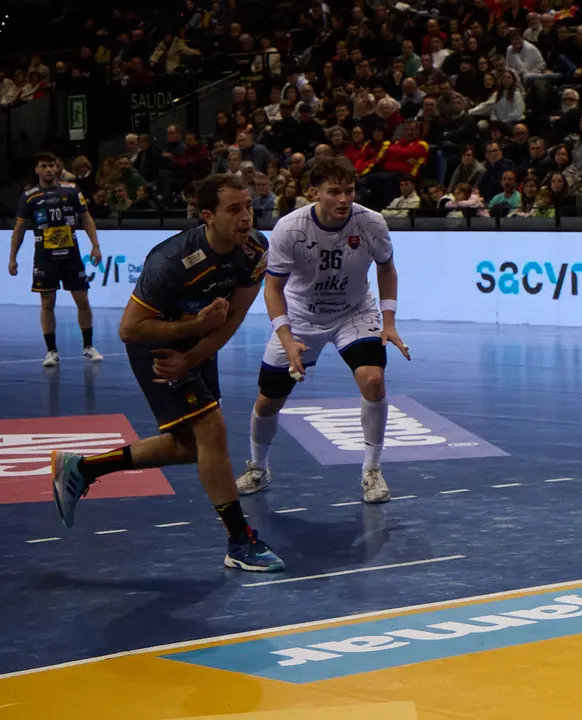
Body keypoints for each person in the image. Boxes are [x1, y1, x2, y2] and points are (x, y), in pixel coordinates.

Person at [50, 174, 286, 572]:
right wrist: (193, 331)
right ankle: (239, 541)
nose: (246, 216)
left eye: (248, 206)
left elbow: (234, 318)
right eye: (234, 209)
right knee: (212, 432)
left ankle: (82, 468)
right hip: (155, 344)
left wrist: (194, 354)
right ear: (207, 216)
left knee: (190, 447)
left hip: (195, 344)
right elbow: (129, 328)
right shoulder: (171, 261)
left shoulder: (256, 248)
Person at [236, 157, 409, 503]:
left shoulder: (370, 222)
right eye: (334, 192)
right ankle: (258, 466)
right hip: (301, 316)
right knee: (268, 401)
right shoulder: (290, 227)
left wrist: (388, 321)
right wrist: (286, 338)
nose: (344, 199)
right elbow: (272, 289)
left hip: (354, 311)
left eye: (349, 190)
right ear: (314, 192)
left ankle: (372, 471)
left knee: (373, 380)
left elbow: (387, 269)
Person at [8, 152, 105, 367]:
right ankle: (51, 351)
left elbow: (86, 218)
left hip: (71, 255)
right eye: (44, 166)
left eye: (52, 165)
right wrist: (12, 258)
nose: (49, 169)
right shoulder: (29, 196)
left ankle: (88, 346)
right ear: (37, 170)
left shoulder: (71, 191)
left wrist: (95, 246)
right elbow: (20, 228)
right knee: (47, 303)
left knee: (83, 301)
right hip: (45, 257)